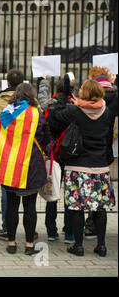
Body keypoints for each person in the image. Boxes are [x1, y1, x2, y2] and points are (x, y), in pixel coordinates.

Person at [51, 79, 116, 257]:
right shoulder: (107, 112)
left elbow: (55, 115)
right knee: (99, 207)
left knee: (77, 207)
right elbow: (108, 136)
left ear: (85, 93)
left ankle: (78, 245)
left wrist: (64, 96)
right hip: (100, 166)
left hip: (77, 165)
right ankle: (101, 245)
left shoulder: (75, 111)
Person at [0, 82, 51, 255]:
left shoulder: (6, 113)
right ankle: (29, 245)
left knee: (12, 206)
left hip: (10, 167)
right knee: (30, 207)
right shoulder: (36, 114)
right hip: (31, 166)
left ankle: (12, 243)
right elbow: (46, 138)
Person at [0, 69, 38, 241]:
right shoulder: (35, 109)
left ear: (8, 84)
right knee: (30, 204)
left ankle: (9, 234)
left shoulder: (2, 106)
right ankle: (30, 239)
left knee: (10, 202)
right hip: (29, 160)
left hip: (9, 158)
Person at [39, 78, 76, 244]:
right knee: (70, 195)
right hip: (70, 154)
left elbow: (42, 99)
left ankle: (51, 230)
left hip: (53, 153)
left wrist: (43, 82)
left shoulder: (49, 105)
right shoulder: (75, 107)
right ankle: (69, 232)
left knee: (52, 192)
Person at [83, 66, 118, 239]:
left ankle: (90, 225)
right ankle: (98, 228)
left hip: (88, 151)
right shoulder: (114, 96)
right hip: (105, 149)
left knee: (88, 190)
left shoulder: (89, 101)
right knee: (100, 191)